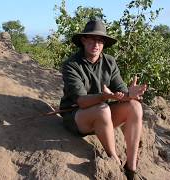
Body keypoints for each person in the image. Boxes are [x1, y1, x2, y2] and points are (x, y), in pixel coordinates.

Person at [59, 20, 147, 179]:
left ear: (104, 43)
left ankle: (131, 167)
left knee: (135, 106)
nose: (96, 44)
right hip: (77, 117)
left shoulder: (110, 61)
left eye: (100, 40)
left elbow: (120, 90)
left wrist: (129, 95)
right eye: (92, 39)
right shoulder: (71, 65)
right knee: (103, 108)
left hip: (103, 119)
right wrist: (105, 96)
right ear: (83, 40)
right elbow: (81, 101)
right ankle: (114, 159)